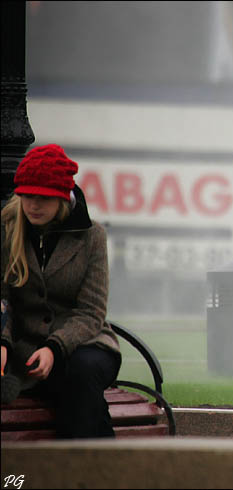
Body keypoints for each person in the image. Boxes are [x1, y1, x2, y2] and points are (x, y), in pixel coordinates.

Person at [1, 144, 122, 438]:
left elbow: (92, 312)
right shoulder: (7, 230)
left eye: (43, 198)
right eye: (27, 196)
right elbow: (3, 299)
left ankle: (72, 470)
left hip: (87, 344)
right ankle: (98, 471)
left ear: (63, 198)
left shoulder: (92, 237)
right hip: (26, 350)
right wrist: (2, 343)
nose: (33, 205)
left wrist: (55, 348)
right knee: (79, 398)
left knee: (80, 372)